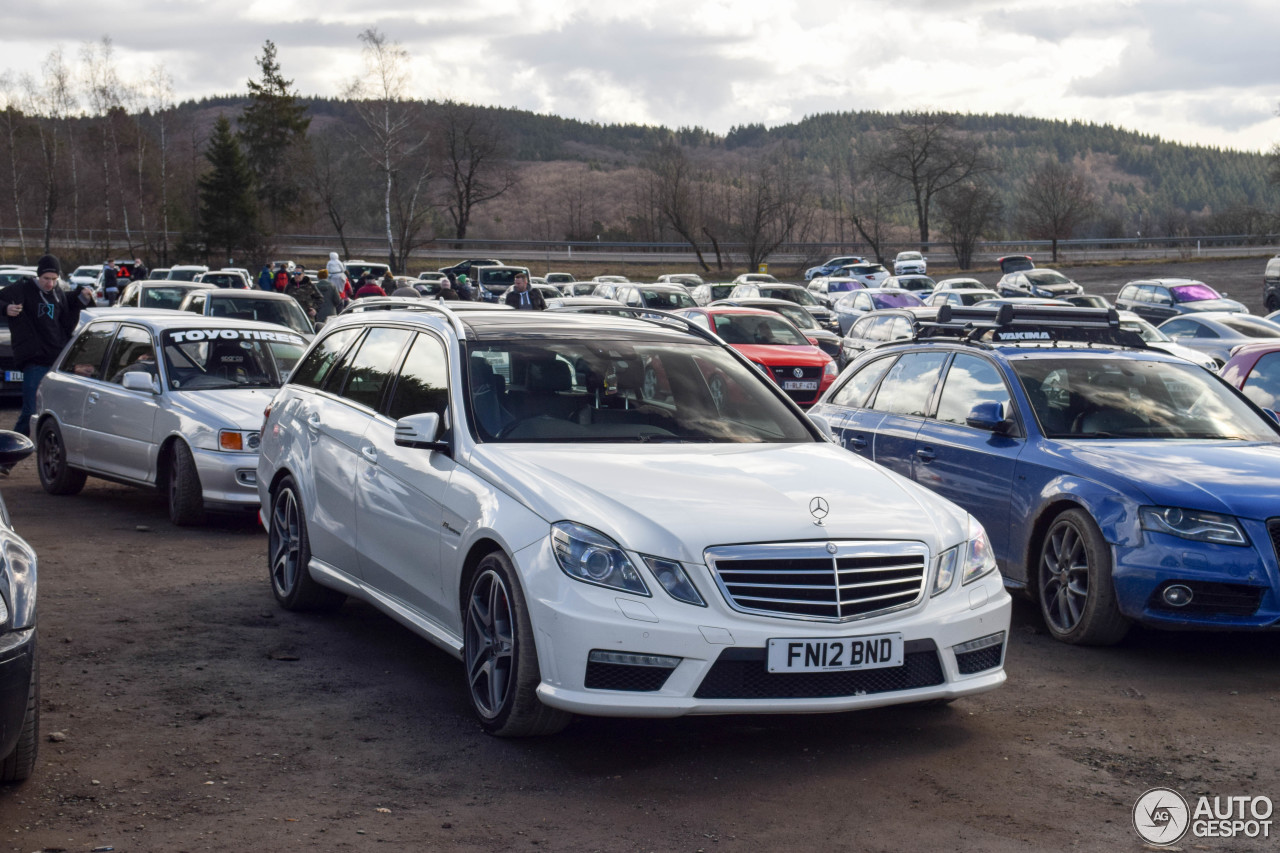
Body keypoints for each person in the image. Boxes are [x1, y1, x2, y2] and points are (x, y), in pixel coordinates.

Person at [0, 255, 93, 445]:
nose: (50, 284)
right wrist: (6, 308)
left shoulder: (59, 293)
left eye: (54, 279)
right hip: (35, 361)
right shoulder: (22, 289)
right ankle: (7, 456)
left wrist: (82, 299)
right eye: (46, 279)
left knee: (61, 412)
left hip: (58, 360)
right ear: (38, 276)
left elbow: (67, 321)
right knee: (30, 411)